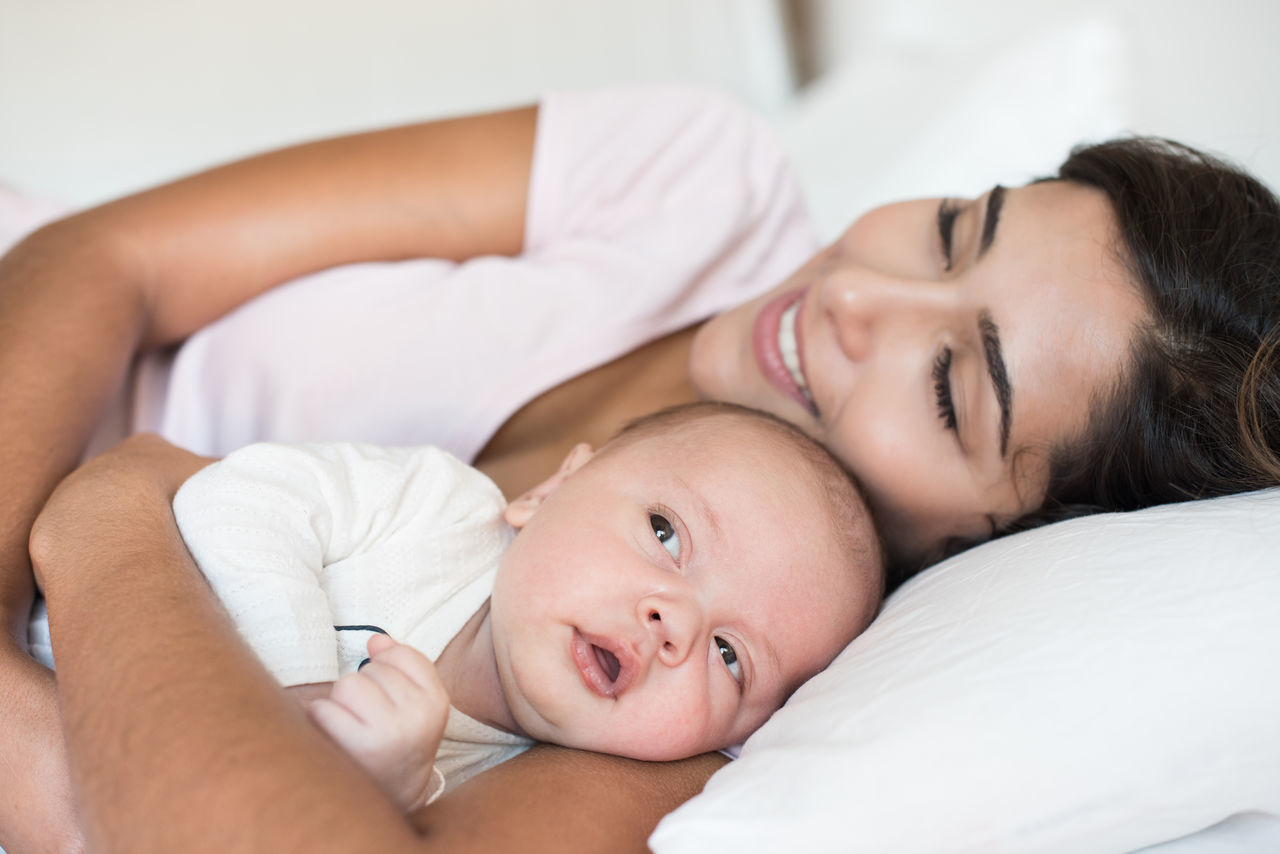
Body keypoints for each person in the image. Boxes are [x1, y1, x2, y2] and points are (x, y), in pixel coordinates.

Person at [5, 85, 1280, 853]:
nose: (856, 296)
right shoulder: (690, 178)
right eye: (953, 229)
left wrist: (115, 524)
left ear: (984, 545)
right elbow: (105, 255)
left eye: (950, 386)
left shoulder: (679, 702)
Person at [29, 402, 883, 812]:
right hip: (57, 640)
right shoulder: (434, 508)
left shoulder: (519, 791)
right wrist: (293, 694)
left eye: (731, 657)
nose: (675, 622)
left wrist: (385, 784)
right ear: (551, 490)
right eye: (665, 532)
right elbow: (234, 500)